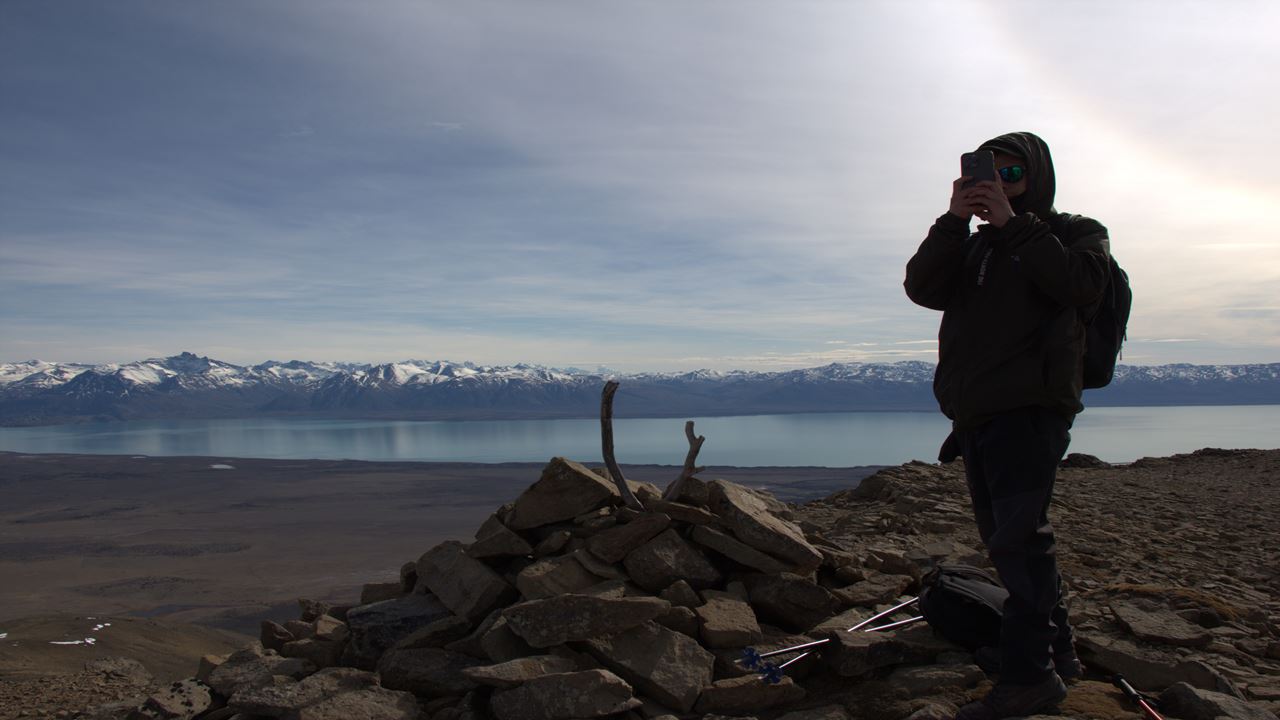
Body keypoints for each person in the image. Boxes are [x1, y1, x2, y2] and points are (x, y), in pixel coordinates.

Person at [903, 131, 1111, 720]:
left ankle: (1029, 678)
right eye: (984, 172)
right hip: (977, 411)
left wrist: (1014, 224)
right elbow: (922, 288)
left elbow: (1083, 284)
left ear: (1035, 175)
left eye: (1011, 171)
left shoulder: (1072, 230)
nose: (997, 182)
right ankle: (1058, 656)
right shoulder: (972, 245)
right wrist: (952, 222)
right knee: (1013, 542)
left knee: (1020, 542)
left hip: (1031, 408)